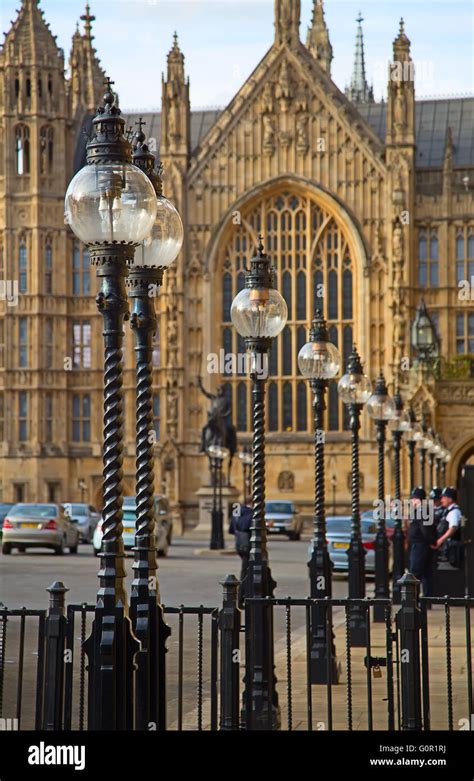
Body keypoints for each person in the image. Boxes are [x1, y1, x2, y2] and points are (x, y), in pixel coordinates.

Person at [408, 486, 437, 597]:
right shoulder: (420, 511)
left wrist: (430, 542)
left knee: (415, 573)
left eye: (413, 498)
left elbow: (425, 530)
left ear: (418, 499)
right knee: (425, 573)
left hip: (420, 545)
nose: (411, 501)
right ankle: (426, 599)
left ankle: (414, 599)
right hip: (420, 545)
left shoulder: (422, 511)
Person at [228, 502, 253, 605]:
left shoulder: (236, 514)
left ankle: (243, 596)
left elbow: (231, 530)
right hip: (249, 546)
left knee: (245, 569)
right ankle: (242, 597)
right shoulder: (252, 514)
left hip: (239, 545)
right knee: (247, 572)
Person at [432, 487, 463, 567]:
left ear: (450, 499)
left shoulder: (454, 511)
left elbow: (453, 527)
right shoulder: (448, 510)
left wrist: (440, 540)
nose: (441, 500)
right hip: (447, 547)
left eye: (443, 497)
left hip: (451, 548)